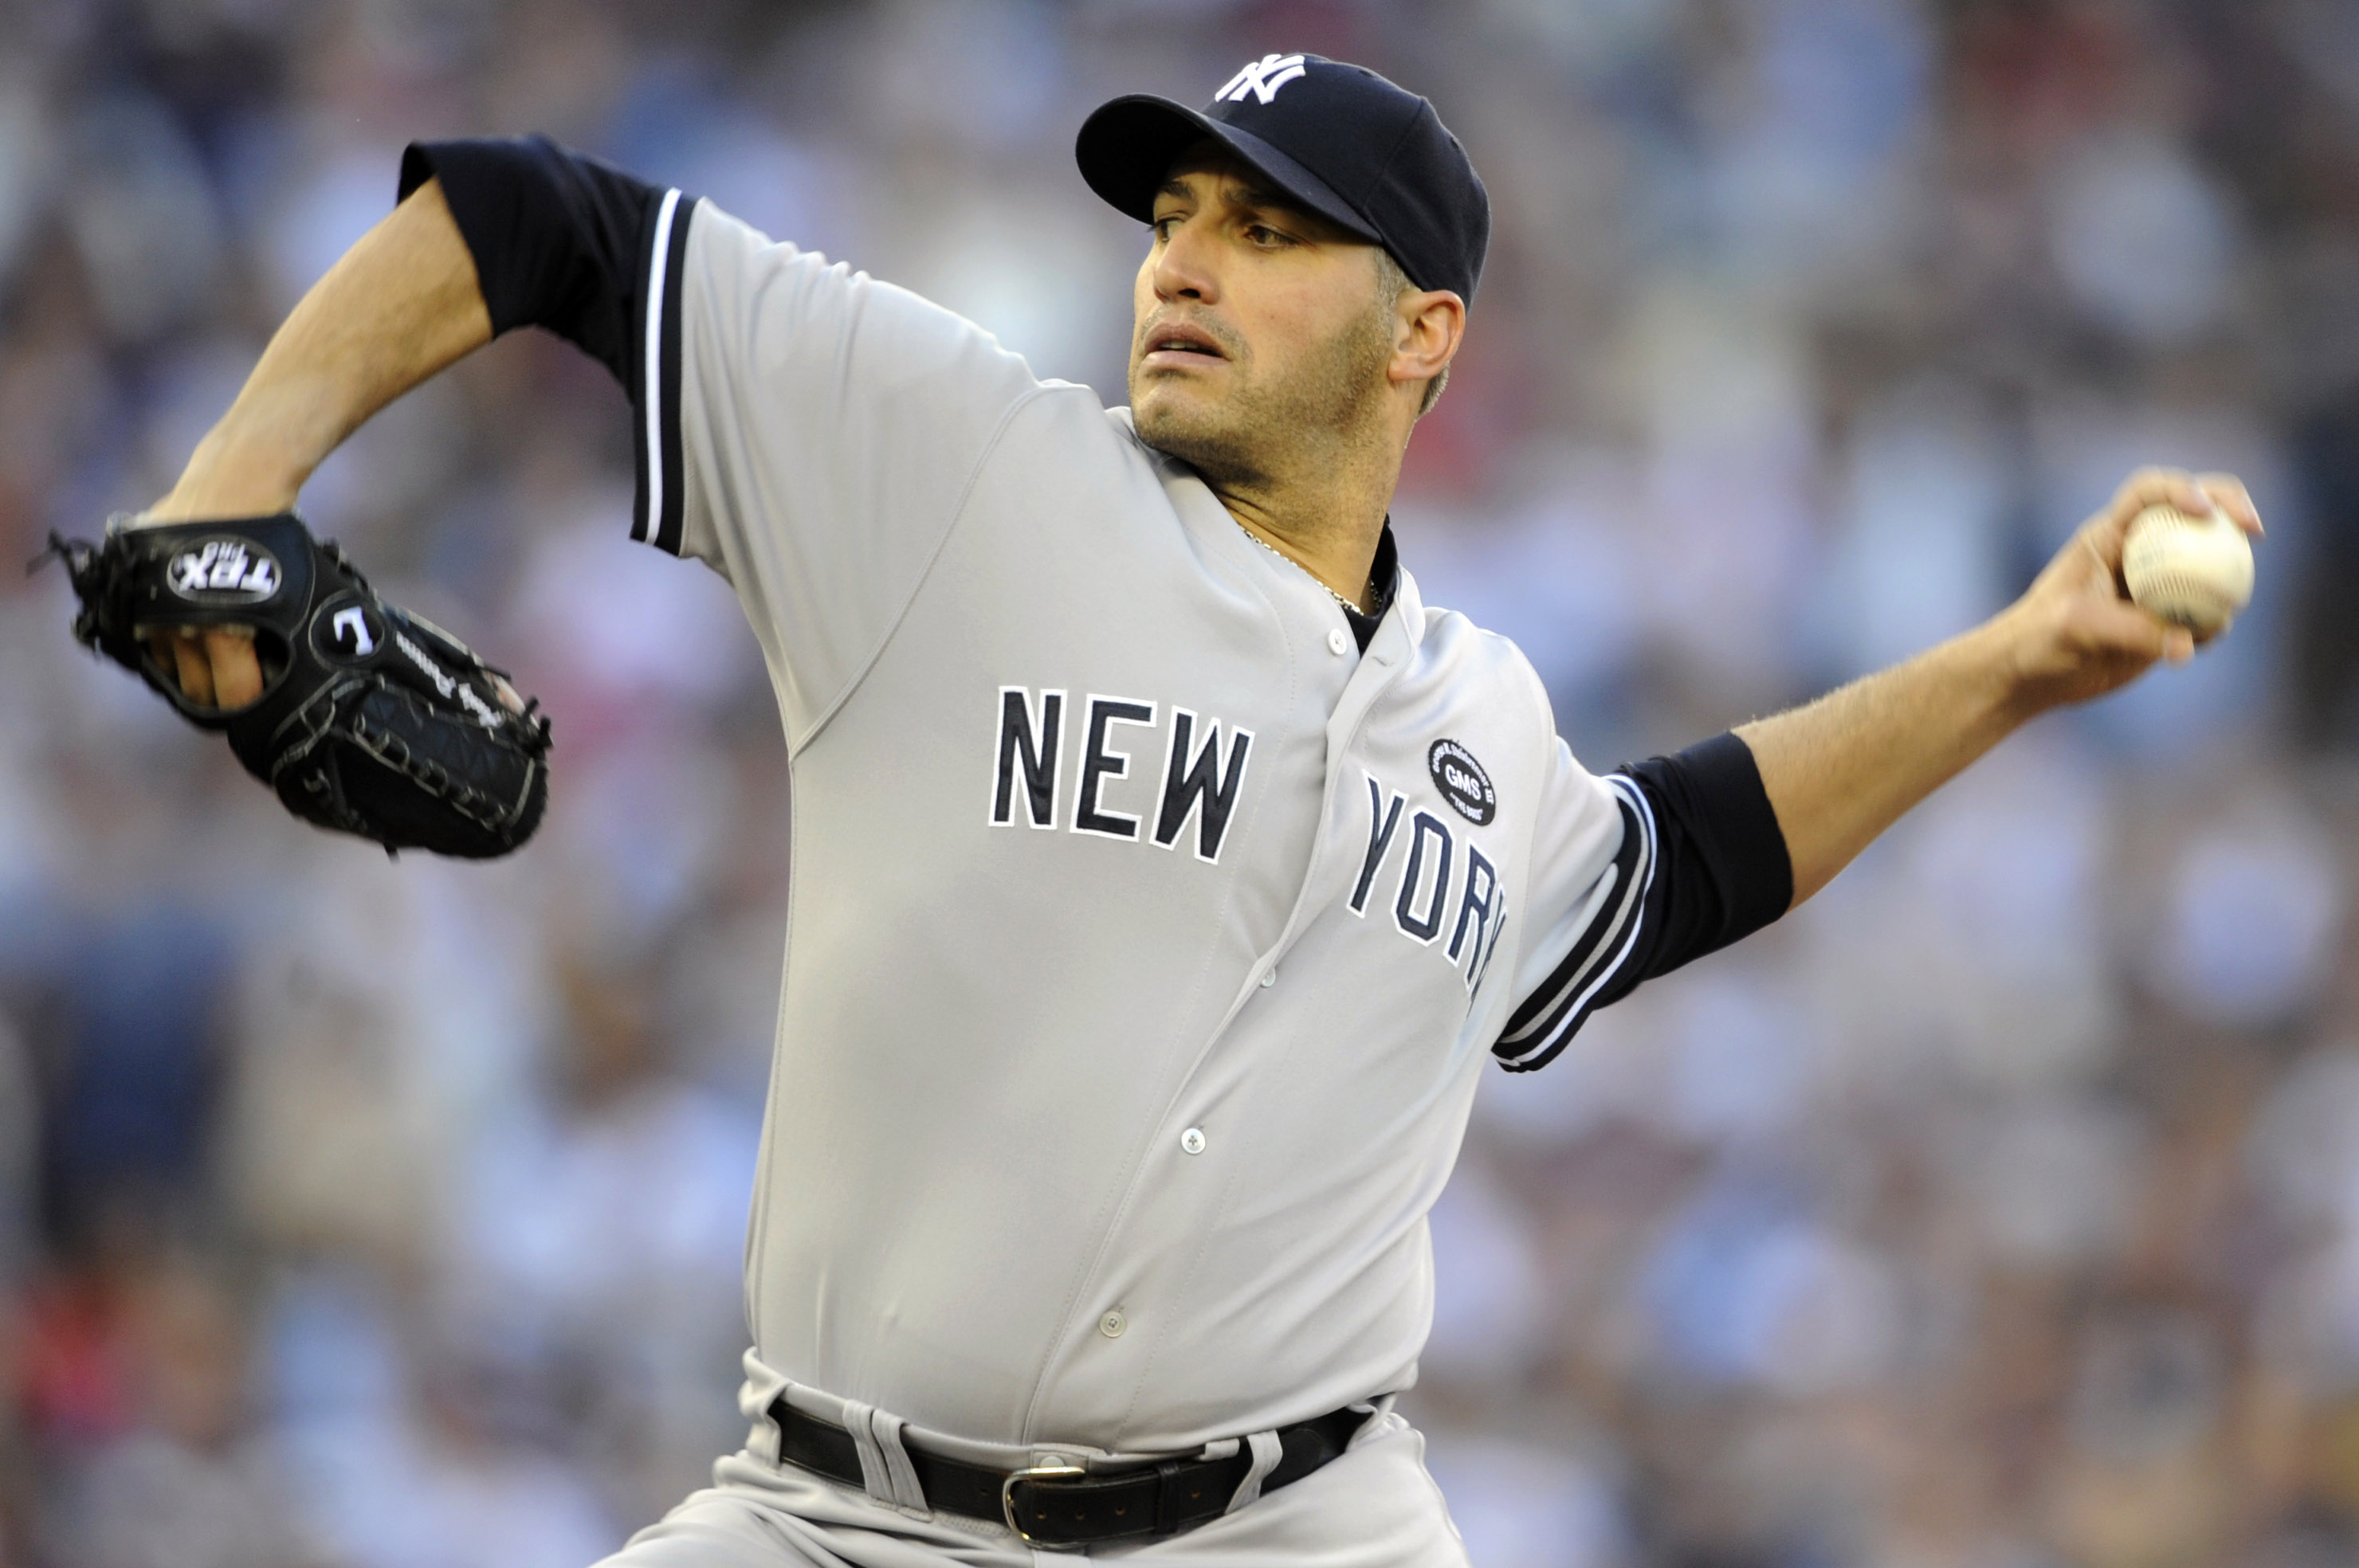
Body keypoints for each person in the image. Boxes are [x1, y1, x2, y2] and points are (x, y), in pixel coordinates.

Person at [134, 51, 2259, 1568]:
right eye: (1174, 217)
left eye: (1265, 230)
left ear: (1426, 335)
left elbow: (1674, 859)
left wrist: (2017, 665)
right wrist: (232, 481)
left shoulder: (1482, 720)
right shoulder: (963, 467)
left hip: (1300, 1524)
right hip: (843, 1518)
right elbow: (535, 222)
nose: (1183, 262)